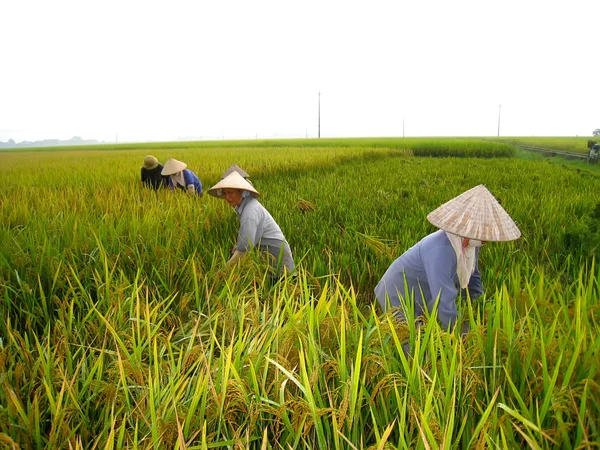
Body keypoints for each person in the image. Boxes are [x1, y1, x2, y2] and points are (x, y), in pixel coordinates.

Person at [374, 184, 521, 333]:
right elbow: (443, 299)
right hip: (397, 294)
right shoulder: (440, 251)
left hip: (424, 291)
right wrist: (462, 335)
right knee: (413, 344)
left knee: (429, 330)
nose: (486, 238)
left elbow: (473, 277)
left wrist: (480, 306)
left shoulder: (470, 245)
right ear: (468, 227)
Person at [208, 171, 295, 279]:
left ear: (242, 191)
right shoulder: (246, 207)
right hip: (268, 257)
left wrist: (222, 274)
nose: (227, 197)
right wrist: (237, 247)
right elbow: (246, 240)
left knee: (280, 290)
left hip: (277, 258)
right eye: (225, 193)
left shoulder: (250, 211)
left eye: (230, 192)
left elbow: (245, 248)